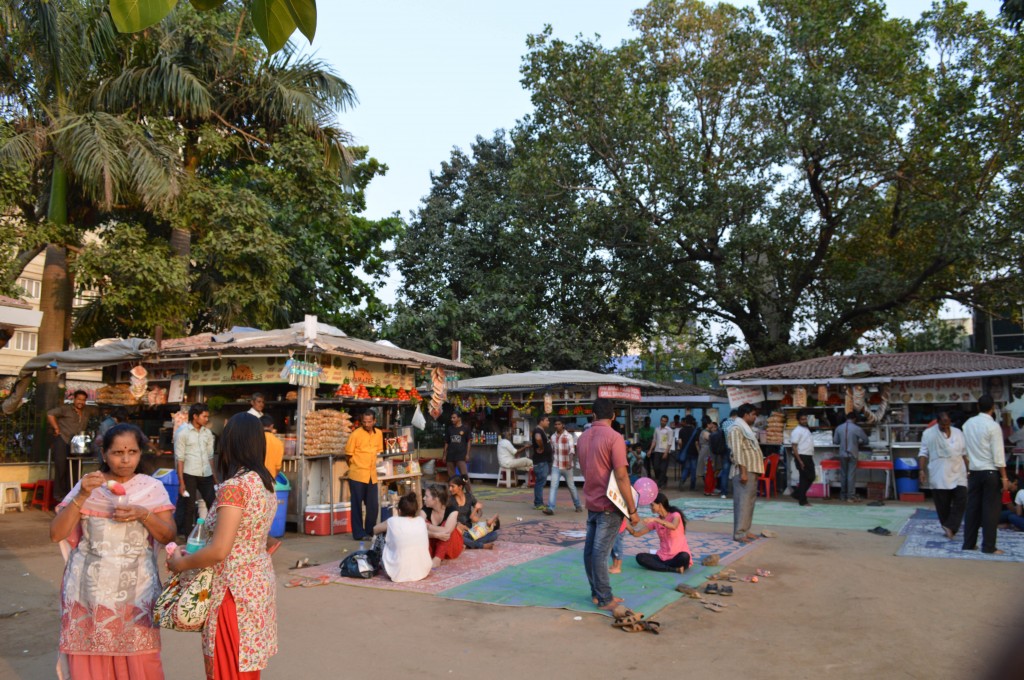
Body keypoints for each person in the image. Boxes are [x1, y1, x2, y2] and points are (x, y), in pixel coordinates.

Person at [50, 423, 176, 679]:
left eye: (132, 452)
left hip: (136, 596)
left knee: (142, 663)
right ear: (104, 454)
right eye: (118, 452)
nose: (126, 459)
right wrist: (82, 496)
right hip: (88, 595)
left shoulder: (151, 488)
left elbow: (168, 534)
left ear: (141, 453)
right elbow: (57, 533)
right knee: (91, 663)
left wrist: (144, 514)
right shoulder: (88, 486)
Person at [167, 413, 278, 679]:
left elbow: (219, 550)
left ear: (229, 444)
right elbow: (266, 539)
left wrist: (180, 563)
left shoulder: (234, 487)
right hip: (257, 588)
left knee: (225, 669)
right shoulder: (265, 483)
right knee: (245, 668)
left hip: (231, 594)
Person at [577, 398, 639, 610]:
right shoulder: (614, 438)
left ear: (593, 415)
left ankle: (597, 593)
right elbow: (622, 476)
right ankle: (605, 598)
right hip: (610, 505)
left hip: (592, 501)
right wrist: (632, 509)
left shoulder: (583, 438)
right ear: (613, 416)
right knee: (600, 553)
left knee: (591, 552)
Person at [961, 394, 1009, 555]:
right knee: (990, 510)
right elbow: (998, 455)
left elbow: (965, 450)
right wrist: (1004, 477)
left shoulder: (968, 424)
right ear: (993, 407)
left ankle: (968, 543)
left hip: (974, 471)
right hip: (990, 471)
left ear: (977, 407)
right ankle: (988, 546)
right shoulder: (993, 426)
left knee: (972, 508)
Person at [918, 411, 969, 539]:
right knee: (942, 504)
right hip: (939, 470)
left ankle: (950, 526)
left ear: (950, 421)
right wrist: (921, 470)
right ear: (937, 422)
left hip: (958, 469)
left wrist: (969, 470)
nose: (945, 427)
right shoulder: (929, 434)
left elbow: (964, 454)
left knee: (961, 498)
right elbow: (923, 453)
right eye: (942, 425)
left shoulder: (958, 432)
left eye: (947, 424)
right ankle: (948, 526)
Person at [47, 389, 99, 501]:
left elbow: (100, 411)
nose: (81, 402)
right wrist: (56, 428)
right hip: (63, 440)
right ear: (74, 399)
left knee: (76, 468)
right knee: (61, 468)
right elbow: (50, 414)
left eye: (83, 400)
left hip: (78, 443)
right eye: (79, 399)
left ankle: (72, 494)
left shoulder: (87, 410)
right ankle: (59, 496)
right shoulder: (65, 409)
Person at [175, 402, 216, 537]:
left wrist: (215, 477)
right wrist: (181, 483)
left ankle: (214, 535)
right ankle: (188, 537)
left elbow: (210, 456)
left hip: (206, 474)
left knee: (213, 504)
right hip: (189, 474)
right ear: (195, 416)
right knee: (189, 507)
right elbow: (179, 458)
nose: (206, 419)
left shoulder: (208, 433)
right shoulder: (182, 432)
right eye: (204, 416)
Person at [372, 492, 432, 582]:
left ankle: (373, 563)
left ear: (399, 510)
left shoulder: (392, 521)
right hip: (423, 571)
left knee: (380, 536)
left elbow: (375, 529)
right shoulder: (421, 521)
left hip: (397, 573)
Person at [626, 493, 691, 573]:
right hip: (663, 557)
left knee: (684, 556)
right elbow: (637, 534)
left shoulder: (675, 515)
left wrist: (656, 520)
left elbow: (673, 526)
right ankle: (673, 569)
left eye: (652, 505)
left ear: (660, 505)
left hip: (677, 557)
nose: (651, 508)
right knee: (640, 557)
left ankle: (662, 566)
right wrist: (625, 525)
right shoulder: (655, 521)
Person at [727, 403, 764, 544]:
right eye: (753, 414)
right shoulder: (736, 429)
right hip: (744, 470)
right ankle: (739, 533)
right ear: (746, 415)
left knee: (749, 502)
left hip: (751, 469)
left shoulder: (747, 429)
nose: (755, 417)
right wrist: (743, 472)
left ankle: (746, 530)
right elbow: (737, 452)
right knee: (742, 502)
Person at [346, 409, 383, 541]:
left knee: (373, 506)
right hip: (357, 474)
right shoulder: (355, 434)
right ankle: (358, 534)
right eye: (364, 422)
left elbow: (378, 452)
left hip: (372, 474)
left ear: (374, 421)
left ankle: (370, 531)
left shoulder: (378, 434)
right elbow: (348, 455)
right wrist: (354, 467)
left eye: (369, 422)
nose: (366, 424)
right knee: (356, 505)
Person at [448, 476, 499, 549]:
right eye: (449, 486)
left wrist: (477, 516)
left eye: (452, 486)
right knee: (454, 536)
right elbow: (446, 517)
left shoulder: (469, 497)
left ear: (460, 487)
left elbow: (479, 511)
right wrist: (457, 524)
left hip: (471, 530)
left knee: (494, 535)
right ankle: (480, 545)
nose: (450, 489)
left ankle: (468, 543)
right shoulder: (450, 500)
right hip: (458, 529)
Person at [421, 483, 464, 567]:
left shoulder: (452, 510)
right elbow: (418, 530)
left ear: (436, 499)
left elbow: (447, 531)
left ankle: (437, 558)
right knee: (424, 528)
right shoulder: (425, 509)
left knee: (445, 526)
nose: (423, 498)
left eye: (426, 496)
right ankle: (432, 556)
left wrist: (427, 526)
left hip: (452, 547)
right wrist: (435, 535)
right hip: (433, 545)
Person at [546, 418, 582, 514]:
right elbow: (553, 450)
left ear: (563, 425)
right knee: (553, 486)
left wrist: (570, 462)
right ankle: (551, 508)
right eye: (556, 424)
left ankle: (578, 505)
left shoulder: (568, 436)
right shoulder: (553, 437)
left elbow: (572, 450)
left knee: (571, 487)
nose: (557, 426)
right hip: (556, 465)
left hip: (567, 466)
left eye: (559, 424)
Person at [833, 411, 869, 503]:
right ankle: (850, 496)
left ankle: (843, 495)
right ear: (854, 419)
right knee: (851, 475)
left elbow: (836, 441)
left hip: (842, 454)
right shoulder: (857, 428)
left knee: (843, 474)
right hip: (852, 453)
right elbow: (866, 440)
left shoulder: (839, 428)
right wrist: (857, 442)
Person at [790, 410, 816, 507]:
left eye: (805, 419)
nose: (804, 421)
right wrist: (800, 461)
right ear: (798, 420)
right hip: (802, 456)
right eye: (802, 419)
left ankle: (797, 494)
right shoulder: (797, 431)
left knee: (810, 477)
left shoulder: (806, 429)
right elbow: (794, 447)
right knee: (806, 478)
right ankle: (802, 500)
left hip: (808, 456)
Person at [531, 416, 553, 511]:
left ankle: (539, 502)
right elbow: (538, 438)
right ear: (541, 421)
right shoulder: (538, 431)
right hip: (541, 461)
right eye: (547, 420)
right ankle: (538, 503)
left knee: (540, 482)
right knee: (540, 483)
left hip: (543, 461)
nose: (548, 422)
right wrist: (542, 447)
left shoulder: (541, 430)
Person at [443, 412, 473, 480]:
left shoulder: (465, 428)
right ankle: (453, 490)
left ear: (459, 418)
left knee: (464, 476)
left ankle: (469, 491)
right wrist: (444, 455)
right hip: (450, 455)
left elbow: (469, 442)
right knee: (452, 477)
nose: (452, 419)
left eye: (454, 418)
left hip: (461, 456)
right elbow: (446, 442)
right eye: (451, 418)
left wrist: (467, 454)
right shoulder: (449, 429)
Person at [648, 415, 674, 490]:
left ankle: (659, 485)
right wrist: (650, 450)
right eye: (662, 420)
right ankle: (664, 479)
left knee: (663, 469)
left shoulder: (669, 430)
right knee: (656, 467)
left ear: (667, 422)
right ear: (660, 420)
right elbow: (654, 440)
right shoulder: (657, 429)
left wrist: (666, 452)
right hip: (657, 451)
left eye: (665, 421)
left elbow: (669, 442)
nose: (663, 422)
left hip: (665, 451)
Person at [676, 416, 700, 491]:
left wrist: (682, 448)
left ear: (685, 422)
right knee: (693, 469)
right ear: (692, 422)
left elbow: (679, 442)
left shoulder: (681, 430)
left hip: (685, 452)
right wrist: (699, 452)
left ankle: (682, 481)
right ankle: (692, 486)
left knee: (686, 468)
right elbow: (696, 443)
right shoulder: (695, 431)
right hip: (694, 453)